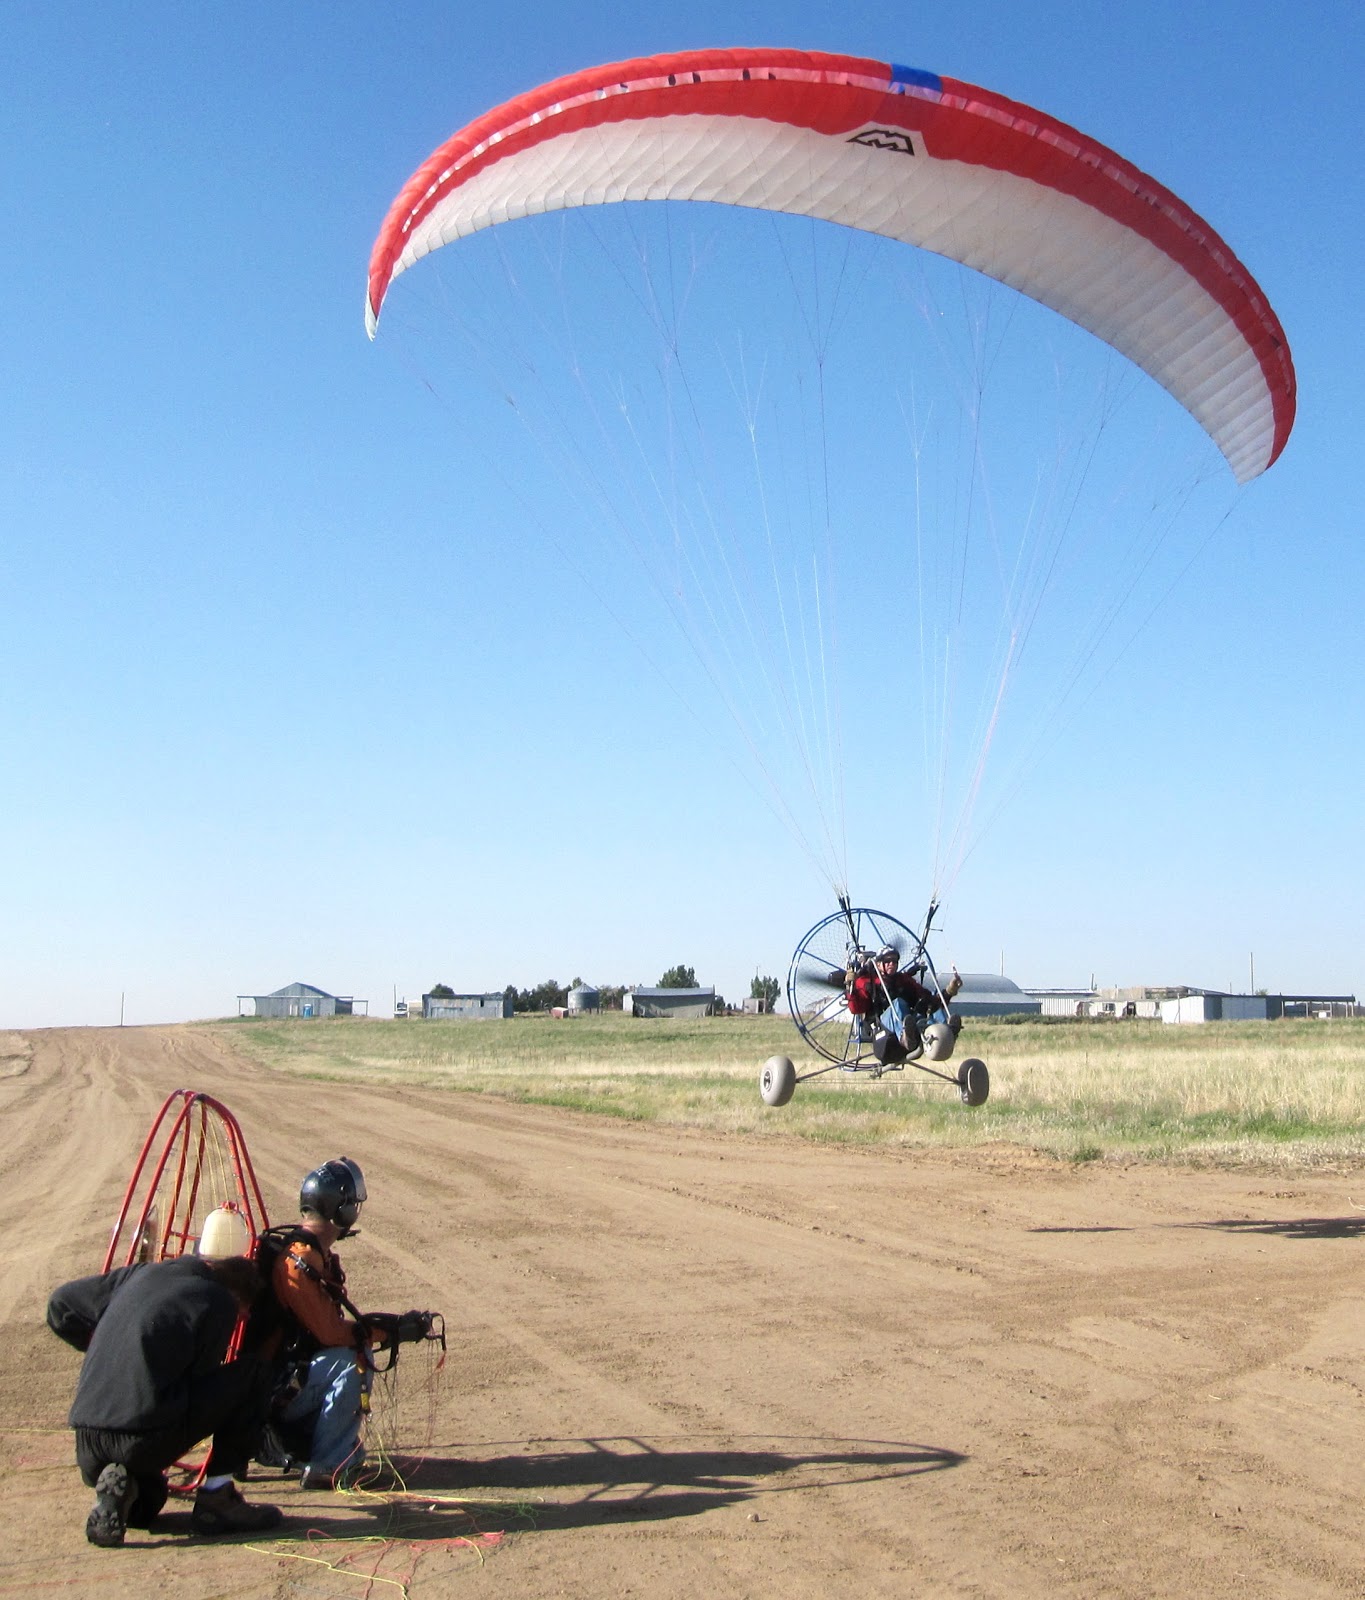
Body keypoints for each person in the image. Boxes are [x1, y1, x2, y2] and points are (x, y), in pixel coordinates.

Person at [48, 1253, 282, 1546]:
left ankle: (119, 1490)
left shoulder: (136, 1276)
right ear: (236, 1294)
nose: (243, 1319)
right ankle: (217, 1499)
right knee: (254, 1373)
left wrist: (114, 1353)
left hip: (88, 1444)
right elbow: (201, 1382)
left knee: (149, 1502)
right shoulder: (217, 1299)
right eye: (244, 1311)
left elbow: (60, 1303)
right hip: (145, 1439)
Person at [249, 1157, 430, 1490]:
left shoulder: (312, 1253)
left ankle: (332, 1448)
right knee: (354, 1361)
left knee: (351, 1352)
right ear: (342, 1210)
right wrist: (386, 1332)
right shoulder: (298, 1261)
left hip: (282, 1378)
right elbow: (331, 1334)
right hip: (273, 1390)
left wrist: (386, 1329)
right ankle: (328, 1465)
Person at [842, 945, 963, 1062]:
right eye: (887, 961)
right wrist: (850, 989)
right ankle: (904, 1037)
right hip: (883, 1030)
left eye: (894, 961)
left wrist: (949, 992)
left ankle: (948, 1032)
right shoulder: (867, 981)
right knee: (898, 1003)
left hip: (908, 1025)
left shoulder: (903, 980)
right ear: (878, 964)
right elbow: (856, 1009)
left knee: (932, 1008)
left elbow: (929, 1001)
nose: (892, 964)